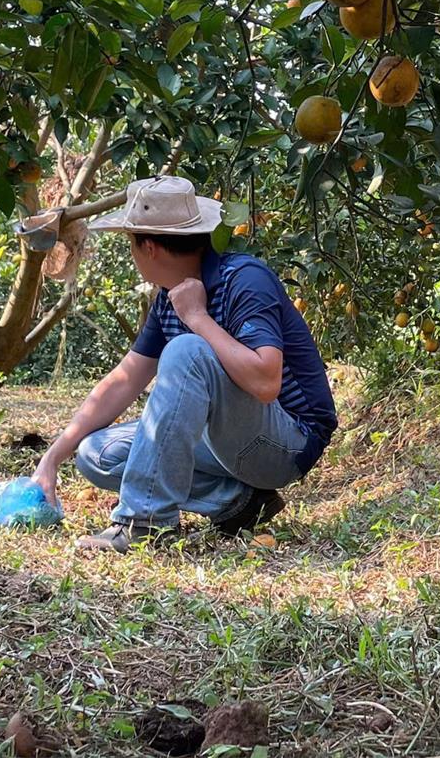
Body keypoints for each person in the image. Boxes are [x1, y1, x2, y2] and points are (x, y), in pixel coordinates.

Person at [30, 176, 338, 552]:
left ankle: (144, 523)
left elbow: (266, 382)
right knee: (96, 454)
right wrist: (51, 459)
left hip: (286, 442)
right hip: (224, 443)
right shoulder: (168, 300)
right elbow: (124, 381)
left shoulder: (244, 279)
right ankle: (238, 502)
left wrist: (198, 318)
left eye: (131, 245)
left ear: (150, 247)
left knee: (187, 350)